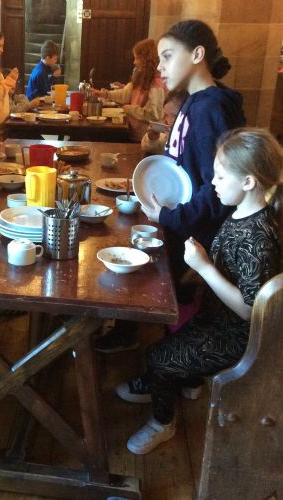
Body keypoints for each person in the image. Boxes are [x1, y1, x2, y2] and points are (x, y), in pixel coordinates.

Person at [123, 128, 281, 455]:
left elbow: (250, 311)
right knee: (164, 341)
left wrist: (205, 267)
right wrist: (197, 272)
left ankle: (163, 422)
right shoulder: (240, 213)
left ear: (248, 182)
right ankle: (185, 380)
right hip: (215, 317)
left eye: (221, 176)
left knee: (158, 357)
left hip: (239, 337)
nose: (212, 183)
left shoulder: (259, 239)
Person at [96, 20, 246, 356]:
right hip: (179, 223)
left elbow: (218, 190)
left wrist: (169, 215)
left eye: (167, 56)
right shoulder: (192, 102)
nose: (160, 67)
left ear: (197, 54)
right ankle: (150, 343)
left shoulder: (211, 108)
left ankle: (177, 368)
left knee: (180, 300)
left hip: (195, 235)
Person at [93, 38, 166, 142]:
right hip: (135, 133)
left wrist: (130, 109)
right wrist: (105, 94)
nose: (134, 62)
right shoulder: (141, 77)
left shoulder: (157, 83)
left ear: (146, 59)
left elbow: (154, 115)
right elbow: (125, 94)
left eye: (137, 58)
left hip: (146, 138)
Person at [141, 89, 187, 155]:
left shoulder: (193, 138)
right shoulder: (165, 133)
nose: (169, 121)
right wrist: (152, 139)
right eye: (167, 115)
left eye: (175, 116)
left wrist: (175, 143)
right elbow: (146, 149)